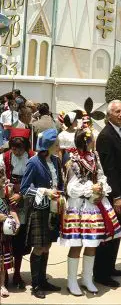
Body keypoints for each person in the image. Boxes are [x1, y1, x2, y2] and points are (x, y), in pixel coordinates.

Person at [60, 127, 121, 296]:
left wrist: (101, 186)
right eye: (92, 139)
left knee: (92, 243)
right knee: (76, 244)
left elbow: (101, 174)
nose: (94, 141)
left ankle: (87, 278)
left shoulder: (94, 156)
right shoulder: (72, 160)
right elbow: (71, 188)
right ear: (86, 141)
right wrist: (90, 188)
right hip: (79, 206)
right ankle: (72, 280)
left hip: (94, 205)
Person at [20, 128, 63, 299]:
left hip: (52, 209)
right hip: (39, 209)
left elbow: (58, 182)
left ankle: (43, 280)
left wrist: (59, 194)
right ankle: (36, 284)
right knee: (39, 247)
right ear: (49, 145)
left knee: (48, 245)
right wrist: (45, 192)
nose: (59, 146)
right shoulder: (33, 162)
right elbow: (24, 189)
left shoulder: (55, 160)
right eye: (57, 144)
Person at [94, 100, 121, 287]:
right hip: (113, 194)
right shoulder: (106, 136)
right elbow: (109, 169)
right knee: (108, 232)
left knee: (117, 230)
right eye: (117, 112)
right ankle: (101, 273)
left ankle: (110, 267)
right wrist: (116, 196)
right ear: (109, 115)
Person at [2, 128, 34, 290]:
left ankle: (17, 274)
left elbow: (36, 180)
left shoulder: (33, 157)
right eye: (14, 148)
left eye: (20, 148)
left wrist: (21, 193)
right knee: (5, 238)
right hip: (7, 202)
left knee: (20, 239)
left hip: (26, 202)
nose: (17, 151)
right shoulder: (4, 158)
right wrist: (8, 192)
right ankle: (4, 275)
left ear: (26, 146)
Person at [0, 166, 20, 298]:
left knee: (2, 260)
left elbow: (12, 208)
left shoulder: (7, 190)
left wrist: (16, 221)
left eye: (2, 176)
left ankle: (2, 285)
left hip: (4, 231)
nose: (3, 179)